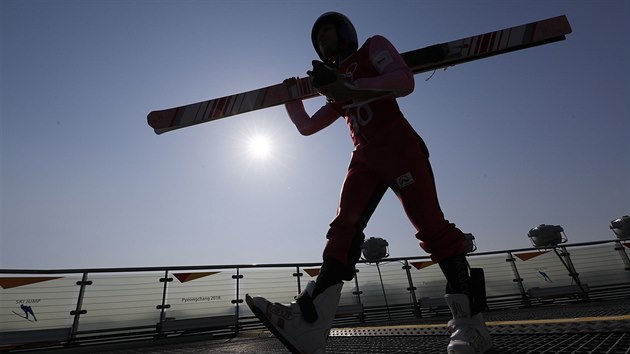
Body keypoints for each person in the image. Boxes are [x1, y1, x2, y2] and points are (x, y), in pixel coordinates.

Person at [246, 12, 492, 354]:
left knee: (431, 227)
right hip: (363, 156)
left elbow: (404, 82)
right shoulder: (333, 83)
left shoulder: (372, 49)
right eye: (318, 40)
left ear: (345, 32)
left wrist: (348, 86)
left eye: (327, 32)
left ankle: (472, 326)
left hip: (398, 145)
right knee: (341, 233)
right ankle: (309, 325)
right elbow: (307, 126)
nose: (323, 41)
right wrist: (292, 98)